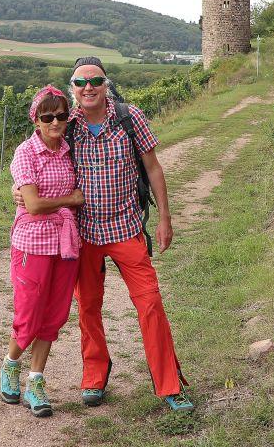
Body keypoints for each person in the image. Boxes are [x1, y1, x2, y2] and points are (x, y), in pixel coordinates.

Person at [20, 56, 193, 411]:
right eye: (81, 82)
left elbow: (154, 168)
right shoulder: (68, 124)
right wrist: (19, 191)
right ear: (72, 88)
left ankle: (169, 385)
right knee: (88, 309)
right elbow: (39, 155)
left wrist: (165, 219)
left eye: (95, 81)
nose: (88, 88)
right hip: (83, 234)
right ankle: (94, 377)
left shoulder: (131, 119)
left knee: (150, 304)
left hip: (126, 228)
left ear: (106, 84)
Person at [1, 85, 83, 418]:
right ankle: (10, 365)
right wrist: (69, 200)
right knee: (29, 316)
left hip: (64, 244)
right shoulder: (26, 152)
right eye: (47, 117)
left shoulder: (70, 148)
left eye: (61, 116)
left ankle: (36, 382)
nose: (55, 122)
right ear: (36, 120)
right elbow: (33, 205)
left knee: (54, 316)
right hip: (32, 245)